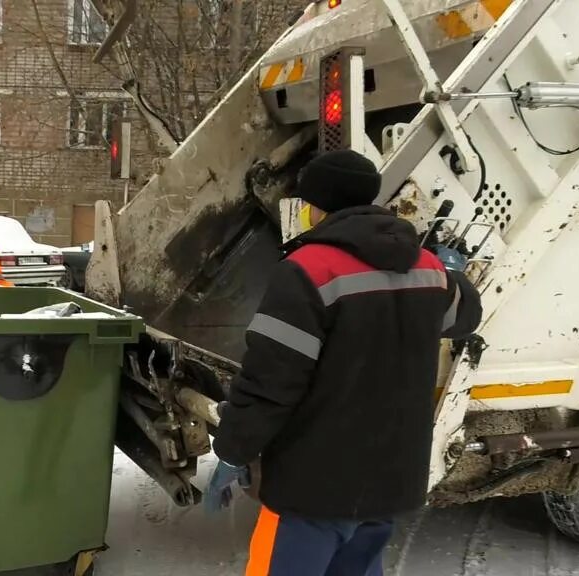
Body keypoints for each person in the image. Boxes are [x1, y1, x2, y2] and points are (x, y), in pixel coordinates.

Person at [206, 150, 483, 575]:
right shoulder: (427, 269)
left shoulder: (307, 271)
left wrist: (232, 451)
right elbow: (464, 317)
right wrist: (452, 272)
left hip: (314, 488)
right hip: (388, 484)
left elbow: (271, 382)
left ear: (314, 207)